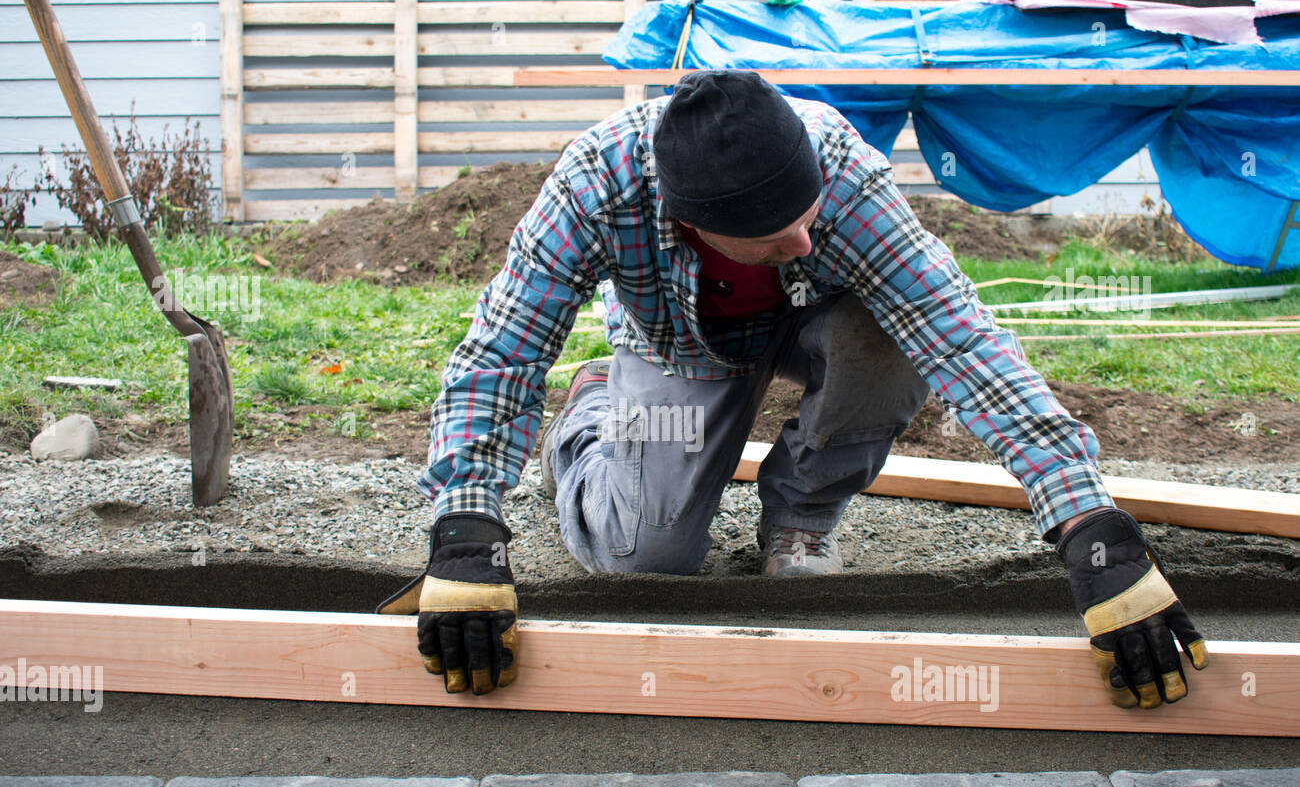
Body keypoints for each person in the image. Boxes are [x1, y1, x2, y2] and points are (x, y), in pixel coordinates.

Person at [378, 70, 1208, 708]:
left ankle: (803, 519)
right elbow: (501, 351)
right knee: (644, 557)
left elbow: (961, 336)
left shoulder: (842, 170)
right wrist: (466, 529)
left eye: (811, 217)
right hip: (680, 347)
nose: (808, 236)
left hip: (821, 325)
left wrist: (1089, 526)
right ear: (690, 220)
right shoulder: (596, 186)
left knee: (892, 333)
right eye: (779, 236)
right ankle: (594, 418)